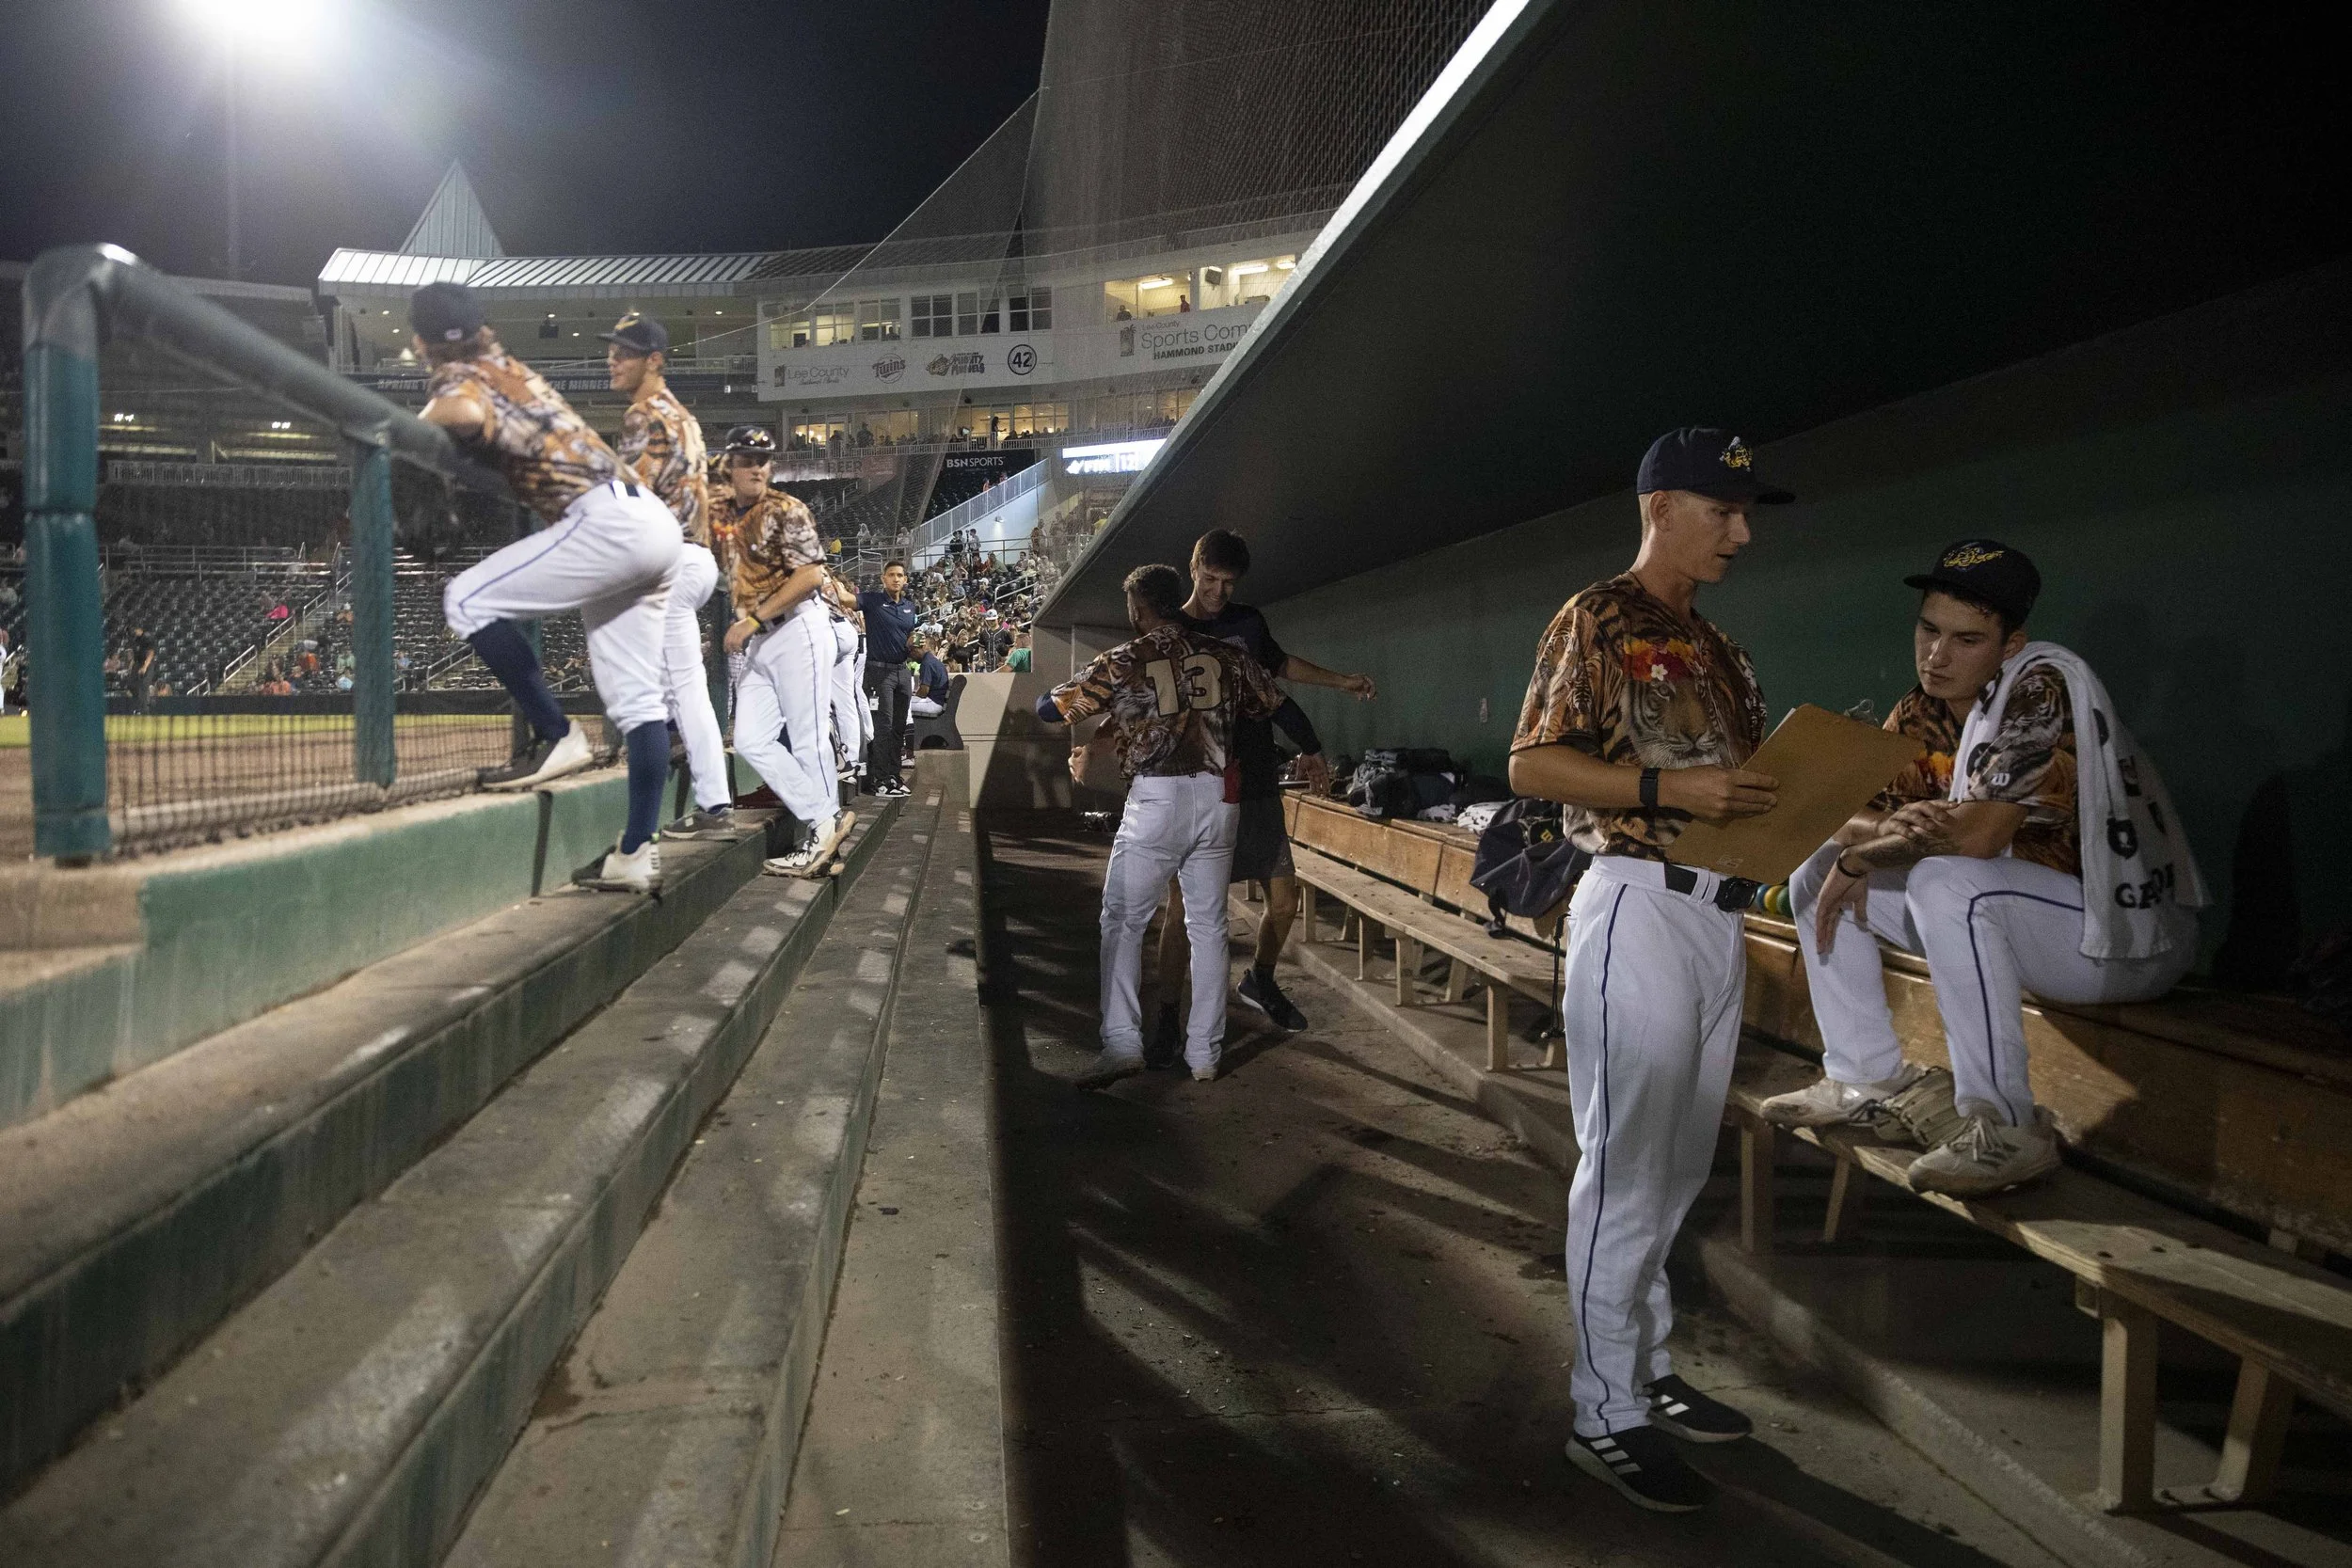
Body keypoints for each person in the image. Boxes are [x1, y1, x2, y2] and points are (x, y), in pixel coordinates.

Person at [1506, 428, 1788, 1513]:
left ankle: (1646, 1368)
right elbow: (1532, 763)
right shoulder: (1598, 615)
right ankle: (1601, 1407)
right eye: (1723, 509)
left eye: (1746, 510)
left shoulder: (1716, 646)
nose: (1742, 530)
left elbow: (1740, 783)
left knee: (1673, 1172)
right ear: (1662, 504)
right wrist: (1678, 796)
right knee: (1624, 1167)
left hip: (1717, 917)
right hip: (1632, 901)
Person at [1759, 541, 2208, 1195]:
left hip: (2124, 939)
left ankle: (2005, 1125)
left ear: (2011, 644)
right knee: (1813, 874)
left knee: (1946, 881)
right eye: (1929, 629)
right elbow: (1834, 812)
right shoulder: (1922, 711)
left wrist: (1868, 849)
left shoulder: (2041, 689)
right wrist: (1879, 833)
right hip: (2024, 925)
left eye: (1967, 639)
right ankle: (1865, 1074)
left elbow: (1975, 837)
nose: (1938, 654)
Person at [416, 280, 681, 895]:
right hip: (651, 522)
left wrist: (414, 428)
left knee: (466, 598)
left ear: (421, 339)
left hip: (606, 521)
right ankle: (636, 851)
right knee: (639, 702)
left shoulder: (457, 374)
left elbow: (462, 413)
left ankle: (557, 732)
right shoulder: (507, 363)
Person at [1035, 563, 1281, 1084]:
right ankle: (1204, 1056)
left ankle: (1123, 1043)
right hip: (1220, 797)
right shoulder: (1227, 654)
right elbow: (1269, 704)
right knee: (1209, 926)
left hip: (1159, 798)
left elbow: (1050, 710)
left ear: (1139, 608)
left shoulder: (1125, 658)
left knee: (1123, 919)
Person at [1154, 529, 1375, 1054]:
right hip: (1196, 787)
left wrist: (1340, 682)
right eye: (1211, 579)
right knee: (1184, 912)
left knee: (1284, 900)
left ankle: (1261, 978)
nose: (1218, 592)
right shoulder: (1170, 630)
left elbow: (1281, 670)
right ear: (1194, 567)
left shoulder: (1248, 622)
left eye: (1229, 583)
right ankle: (1167, 1017)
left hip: (1254, 781)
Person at [606, 311, 734, 842]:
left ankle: (655, 815)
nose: (611, 359)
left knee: (657, 685)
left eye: (624, 352)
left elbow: (627, 496)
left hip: (669, 560)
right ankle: (714, 800)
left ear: (654, 360)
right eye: (611, 350)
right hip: (697, 561)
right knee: (683, 686)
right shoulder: (685, 416)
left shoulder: (643, 414)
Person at [714, 427, 853, 877]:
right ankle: (824, 825)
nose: (756, 466)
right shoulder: (724, 516)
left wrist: (752, 619)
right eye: (746, 459)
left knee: (808, 737)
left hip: (797, 629)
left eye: (763, 459)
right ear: (729, 464)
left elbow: (811, 576)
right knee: (752, 740)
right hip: (761, 639)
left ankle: (821, 833)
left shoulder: (786, 508)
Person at [859, 562, 918, 798]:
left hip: (902, 671)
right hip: (879, 672)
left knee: (898, 728)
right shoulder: (872, 601)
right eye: (891, 575)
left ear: (905, 580)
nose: (896, 579)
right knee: (882, 728)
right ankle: (879, 780)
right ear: (883, 579)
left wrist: (914, 644)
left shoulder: (910, 608)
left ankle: (893, 776)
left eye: (900, 575)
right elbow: (846, 599)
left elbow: (910, 637)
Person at [909, 634, 950, 719]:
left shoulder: (927, 662)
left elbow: (924, 691)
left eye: (915, 650)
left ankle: (907, 730)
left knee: (900, 703)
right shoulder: (932, 660)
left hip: (934, 703)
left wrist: (915, 696)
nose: (912, 654)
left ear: (923, 648)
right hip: (937, 701)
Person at [127, 626, 156, 714]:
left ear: (139, 629)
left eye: (134, 630)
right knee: (131, 685)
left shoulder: (147, 637)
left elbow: (150, 654)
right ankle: (147, 701)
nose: (133, 632)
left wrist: (144, 667)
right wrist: (131, 665)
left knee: (144, 685)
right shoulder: (135, 639)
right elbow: (135, 655)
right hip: (137, 663)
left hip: (147, 662)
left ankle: (144, 711)